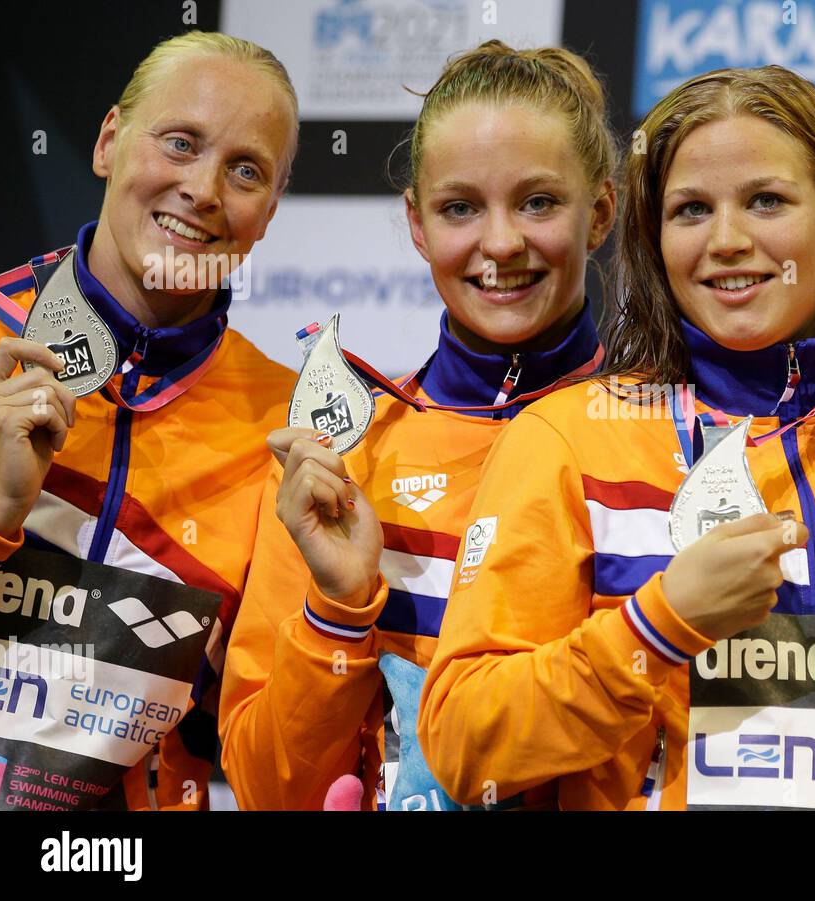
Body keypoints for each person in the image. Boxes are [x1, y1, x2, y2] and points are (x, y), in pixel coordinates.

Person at [418, 66, 815, 810]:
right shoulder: (567, 440)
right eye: (691, 209)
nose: (727, 241)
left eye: (765, 200)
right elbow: (467, 743)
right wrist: (657, 625)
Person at [219, 41, 617, 810]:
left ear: (600, 210)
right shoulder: (344, 451)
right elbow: (271, 792)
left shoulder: (669, 444)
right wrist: (337, 610)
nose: (501, 243)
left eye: (538, 202)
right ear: (417, 222)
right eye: (460, 207)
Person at [0, 31, 298, 810]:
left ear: (269, 212)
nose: (203, 189)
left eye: (246, 170)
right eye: (180, 143)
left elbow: (277, 772)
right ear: (107, 141)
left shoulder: (284, 428)